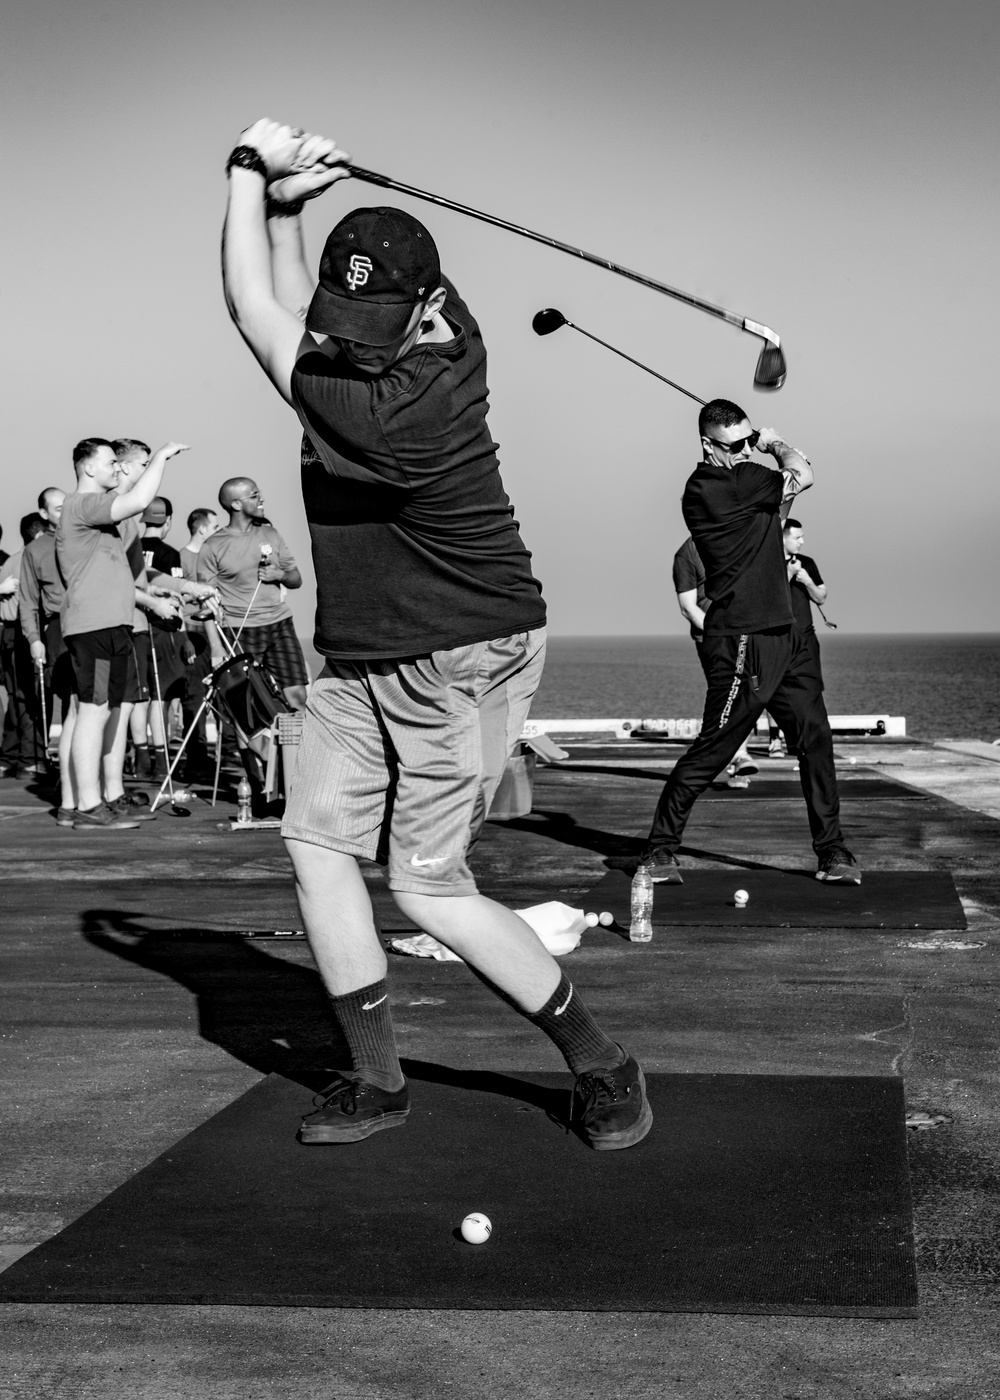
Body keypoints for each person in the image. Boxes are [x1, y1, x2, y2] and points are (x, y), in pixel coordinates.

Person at [219, 117, 651, 1151]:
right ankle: (377, 1080)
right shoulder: (451, 324)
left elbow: (252, 307)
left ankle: (602, 1060)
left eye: (367, 321)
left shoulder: (390, 413)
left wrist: (244, 172)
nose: (344, 336)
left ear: (416, 311)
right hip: (363, 652)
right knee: (315, 846)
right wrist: (292, 206)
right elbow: (306, 307)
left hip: (462, 653)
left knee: (426, 885)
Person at [643, 399, 860, 885]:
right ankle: (659, 851)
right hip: (743, 639)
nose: (744, 452)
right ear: (708, 445)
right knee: (715, 748)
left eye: (747, 443)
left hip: (790, 636)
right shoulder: (713, 487)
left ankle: (833, 852)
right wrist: (772, 441)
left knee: (815, 740)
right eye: (735, 445)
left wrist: (761, 449)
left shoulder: (748, 482)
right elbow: (802, 471)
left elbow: (790, 490)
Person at [55, 437, 188, 828]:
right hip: (92, 627)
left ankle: (88, 803)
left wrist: (158, 594)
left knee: (102, 712)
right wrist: (161, 457)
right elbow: (137, 502)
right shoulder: (83, 504)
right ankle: (88, 807)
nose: (118, 468)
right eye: (111, 462)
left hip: (111, 625)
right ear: (89, 468)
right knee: (93, 713)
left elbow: (123, 577)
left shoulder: (101, 520)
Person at [198, 477, 308, 712]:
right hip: (239, 630)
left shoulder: (272, 534)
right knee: (247, 704)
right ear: (236, 504)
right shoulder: (213, 546)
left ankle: (297, 748)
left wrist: (279, 574)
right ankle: (254, 750)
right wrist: (216, 650)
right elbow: (205, 603)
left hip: (279, 624)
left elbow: (296, 578)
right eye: (255, 495)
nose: (262, 499)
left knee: (298, 699)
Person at [673, 535, 758, 789]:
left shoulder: (735, 539)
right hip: (712, 639)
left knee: (750, 694)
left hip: (745, 633)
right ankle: (734, 758)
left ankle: (733, 760)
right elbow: (688, 607)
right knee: (727, 698)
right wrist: (719, 636)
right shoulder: (686, 555)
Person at [19, 488, 76, 815]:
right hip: (58, 629)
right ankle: (69, 780)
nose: (64, 512)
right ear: (44, 514)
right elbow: (28, 600)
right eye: (57, 508)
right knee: (72, 704)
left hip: (96, 622)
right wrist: (34, 639)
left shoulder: (87, 537)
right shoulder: (35, 550)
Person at [0, 513, 47, 776]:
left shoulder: (9, 562)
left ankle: (10, 756)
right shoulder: (31, 559)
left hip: (8, 633)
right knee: (31, 696)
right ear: (39, 535)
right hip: (25, 631)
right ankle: (31, 758)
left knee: (16, 696)